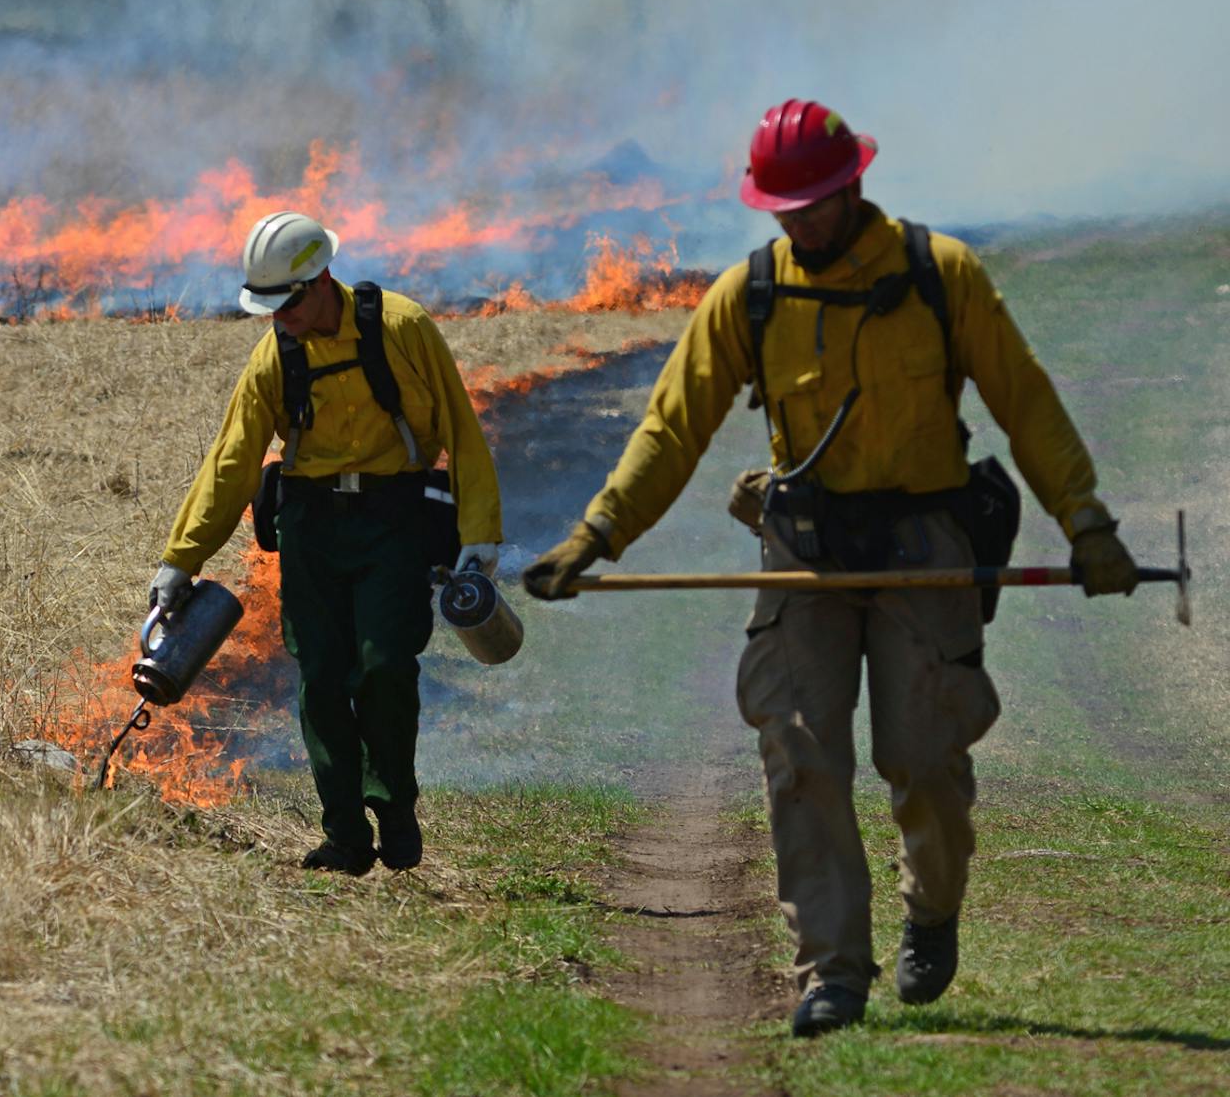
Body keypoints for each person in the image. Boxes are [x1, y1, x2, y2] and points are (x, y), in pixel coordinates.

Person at [521, 100, 1140, 1037]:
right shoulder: (751, 294)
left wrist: (1086, 521)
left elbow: (1027, 404)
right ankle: (833, 972)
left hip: (924, 545)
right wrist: (599, 532)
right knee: (801, 753)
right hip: (803, 551)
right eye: (782, 206)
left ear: (855, 185)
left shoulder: (941, 275)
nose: (797, 222)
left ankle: (931, 909)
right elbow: (672, 424)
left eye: (812, 203)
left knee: (925, 759)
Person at [151, 210, 504, 876]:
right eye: (268, 307)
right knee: (319, 681)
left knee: (384, 666)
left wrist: (480, 536)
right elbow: (231, 462)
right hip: (311, 528)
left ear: (321, 281)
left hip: (394, 519)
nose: (276, 318)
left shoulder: (402, 327)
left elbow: (462, 427)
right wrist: (181, 559)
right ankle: (345, 835)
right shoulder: (273, 357)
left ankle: (393, 803)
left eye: (285, 303)